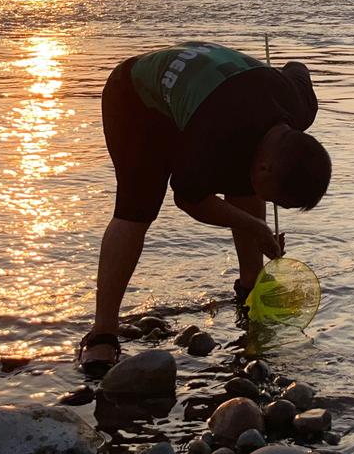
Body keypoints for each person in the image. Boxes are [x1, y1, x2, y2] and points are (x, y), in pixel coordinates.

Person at [80, 42, 331, 376]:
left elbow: (297, 66)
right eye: (276, 201)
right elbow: (188, 199)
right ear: (268, 168)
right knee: (136, 209)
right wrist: (258, 229)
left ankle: (250, 286)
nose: (271, 206)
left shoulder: (300, 105)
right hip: (136, 96)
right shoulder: (217, 136)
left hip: (216, 92)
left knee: (243, 178)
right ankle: (103, 334)